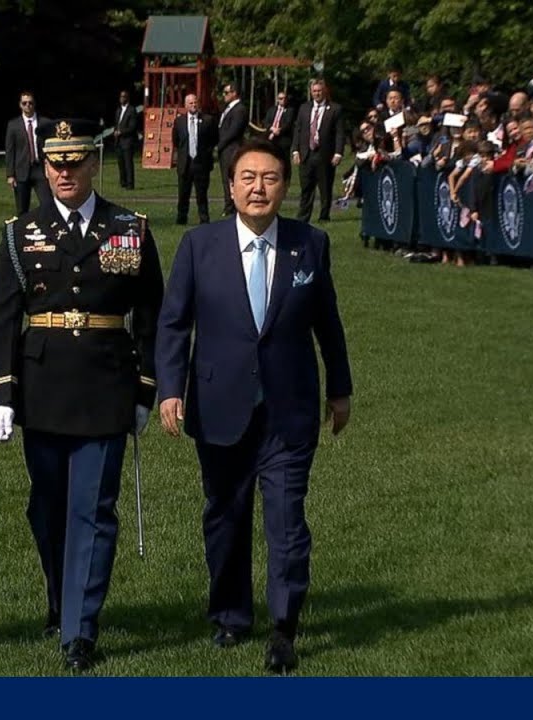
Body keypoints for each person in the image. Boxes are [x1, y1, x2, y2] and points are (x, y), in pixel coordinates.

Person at [155, 138, 353, 674]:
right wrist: (170, 387)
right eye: (248, 177)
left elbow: (327, 322)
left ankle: (284, 627)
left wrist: (340, 387)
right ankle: (230, 614)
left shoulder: (309, 244)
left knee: (287, 521)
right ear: (231, 186)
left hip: (288, 411)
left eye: (269, 178)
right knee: (225, 515)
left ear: (284, 187)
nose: (258, 187)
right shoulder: (200, 245)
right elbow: (174, 323)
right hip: (219, 406)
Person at [0, 119, 164, 672]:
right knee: (48, 508)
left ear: (94, 164)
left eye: (75, 161)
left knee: (93, 509)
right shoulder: (21, 232)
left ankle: (79, 631)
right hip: (41, 388)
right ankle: (60, 596)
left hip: (105, 386)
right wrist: (1, 393)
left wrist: (145, 389)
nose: (64, 172)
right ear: (44, 167)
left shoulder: (128, 227)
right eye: (55, 163)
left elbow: (153, 316)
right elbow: (3, 318)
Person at [292, 80, 346, 222]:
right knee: (306, 188)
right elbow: (298, 130)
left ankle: (324, 216)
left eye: (319, 91)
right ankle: (303, 216)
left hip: (325, 154)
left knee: (325, 188)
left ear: (324, 91)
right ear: (311, 92)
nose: (317, 93)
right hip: (306, 153)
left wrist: (338, 152)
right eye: (314, 91)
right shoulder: (304, 108)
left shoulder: (335, 109)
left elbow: (340, 133)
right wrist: (295, 151)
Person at [4, 91, 53, 215]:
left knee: (48, 204)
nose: (28, 106)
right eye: (24, 103)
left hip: (40, 169)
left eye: (30, 103)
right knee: (22, 209)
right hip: (21, 171)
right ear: (20, 105)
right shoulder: (13, 125)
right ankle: (23, 232)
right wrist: (10, 174)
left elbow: (50, 147)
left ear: (34, 104)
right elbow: (10, 150)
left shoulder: (45, 123)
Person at [173, 94, 216, 225]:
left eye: (195, 103)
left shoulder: (208, 120)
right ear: (186, 106)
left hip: (201, 164)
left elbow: (214, 139)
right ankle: (181, 219)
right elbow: (176, 140)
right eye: (190, 103)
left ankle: (204, 219)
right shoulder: (179, 121)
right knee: (183, 194)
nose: (193, 105)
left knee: (202, 195)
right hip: (185, 164)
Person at [217, 83, 248, 215]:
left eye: (226, 92)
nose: (224, 95)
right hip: (226, 149)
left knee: (231, 178)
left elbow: (233, 131)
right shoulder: (228, 108)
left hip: (232, 149)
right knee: (225, 179)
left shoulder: (239, 109)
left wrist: (220, 145)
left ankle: (232, 207)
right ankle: (228, 205)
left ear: (234, 93)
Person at [262, 91, 296, 186]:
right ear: (277, 100)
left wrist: (279, 130)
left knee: (284, 161)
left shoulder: (290, 110)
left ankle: (286, 179)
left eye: (284, 98)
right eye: (280, 98)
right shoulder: (272, 110)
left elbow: (288, 124)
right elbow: (266, 121)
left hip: (283, 141)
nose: (283, 100)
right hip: (271, 140)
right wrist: (272, 129)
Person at [114, 90, 139, 190]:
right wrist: (116, 131)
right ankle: (123, 182)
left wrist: (121, 132)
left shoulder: (132, 110)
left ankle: (130, 184)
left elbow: (132, 127)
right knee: (121, 162)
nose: (122, 99)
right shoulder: (119, 110)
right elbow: (117, 123)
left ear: (127, 98)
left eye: (124, 97)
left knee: (128, 163)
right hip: (119, 141)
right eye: (121, 97)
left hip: (128, 141)